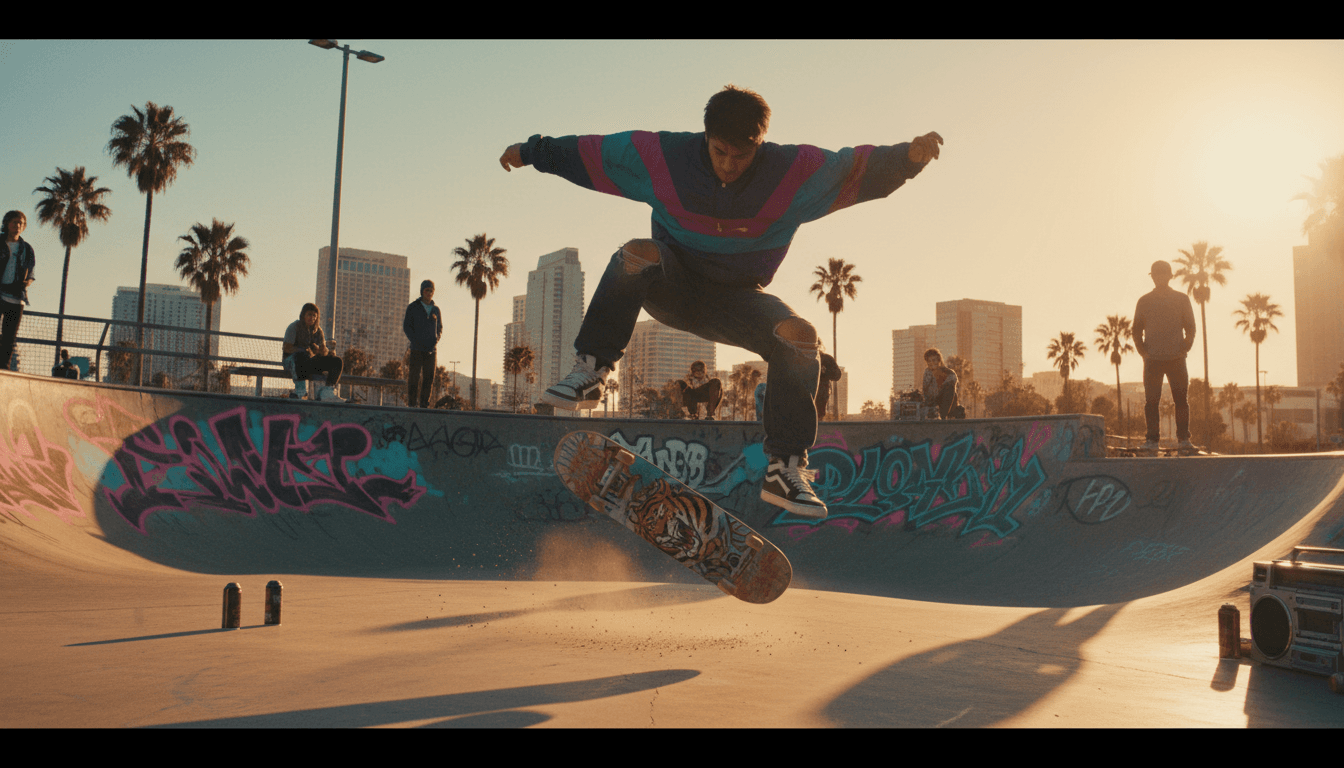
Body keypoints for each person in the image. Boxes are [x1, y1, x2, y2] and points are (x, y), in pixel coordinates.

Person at [500, 85, 942, 518]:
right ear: (705, 138)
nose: (729, 165)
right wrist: (532, 150)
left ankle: (785, 469)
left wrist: (908, 158)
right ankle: (591, 370)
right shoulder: (665, 159)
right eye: (719, 152)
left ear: (760, 144)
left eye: (742, 155)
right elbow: (593, 154)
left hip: (738, 301)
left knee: (801, 337)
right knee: (637, 252)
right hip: (672, 287)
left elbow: (854, 170)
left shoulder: (791, 173)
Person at [1132, 260, 1197, 454]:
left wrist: (1185, 348)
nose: (1160, 278)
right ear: (1152, 277)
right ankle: (1152, 440)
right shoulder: (1144, 301)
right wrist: (1143, 352)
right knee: (1151, 402)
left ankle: (1184, 439)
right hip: (1152, 360)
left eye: (1163, 274)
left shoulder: (1182, 299)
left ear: (1170, 276)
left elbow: (1191, 328)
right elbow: (1136, 330)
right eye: (1156, 274)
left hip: (1176, 359)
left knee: (1181, 400)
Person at [282, 303, 345, 402]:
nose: (312, 318)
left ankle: (327, 392)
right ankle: (300, 390)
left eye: (314, 316)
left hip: (308, 362)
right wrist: (304, 350)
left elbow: (323, 350)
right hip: (291, 361)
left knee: (337, 361)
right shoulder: (294, 327)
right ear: (303, 315)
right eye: (309, 315)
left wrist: (324, 352)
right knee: (302, 355)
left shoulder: (318, 331)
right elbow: (286, 348)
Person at [1, 211, 36, 372]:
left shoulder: (27, 249)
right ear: (7, 223)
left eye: (21, 223)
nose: (17, 226)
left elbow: (31, 273)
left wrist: (25, 283)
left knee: (9, 338)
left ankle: (4, 369)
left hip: (16, 298)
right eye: (14, 222)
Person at [403, 279, 443, 408]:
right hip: (416, 349)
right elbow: (407, 326)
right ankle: (412, 404)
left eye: (431, 291)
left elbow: (440, 328)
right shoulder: (413, 307)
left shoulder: (436, 309)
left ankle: (424, 405)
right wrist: (414, 340)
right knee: (414, 377)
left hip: (431, 350)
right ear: (422, 291)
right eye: (427, 290)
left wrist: (435, 340)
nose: (429, 293)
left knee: (429, 378)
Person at [921, 348, 961, 420]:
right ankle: (934, 414)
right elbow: (925, 389)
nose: (932, 363)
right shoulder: (927, 372)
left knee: (951, 390)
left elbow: (953, 381)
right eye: (929, 361)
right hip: (932, 399)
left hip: (945, 399)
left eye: (934, 360)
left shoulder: (948, 372)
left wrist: (942, 384)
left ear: (939, 360)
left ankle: (943, 417)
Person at [814, 352, 842, 420]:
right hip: (811, 393)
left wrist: (826, 371)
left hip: (821, 394)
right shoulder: (802, 355)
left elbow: (837, 374)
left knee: (819, 415)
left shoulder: (826, 358)